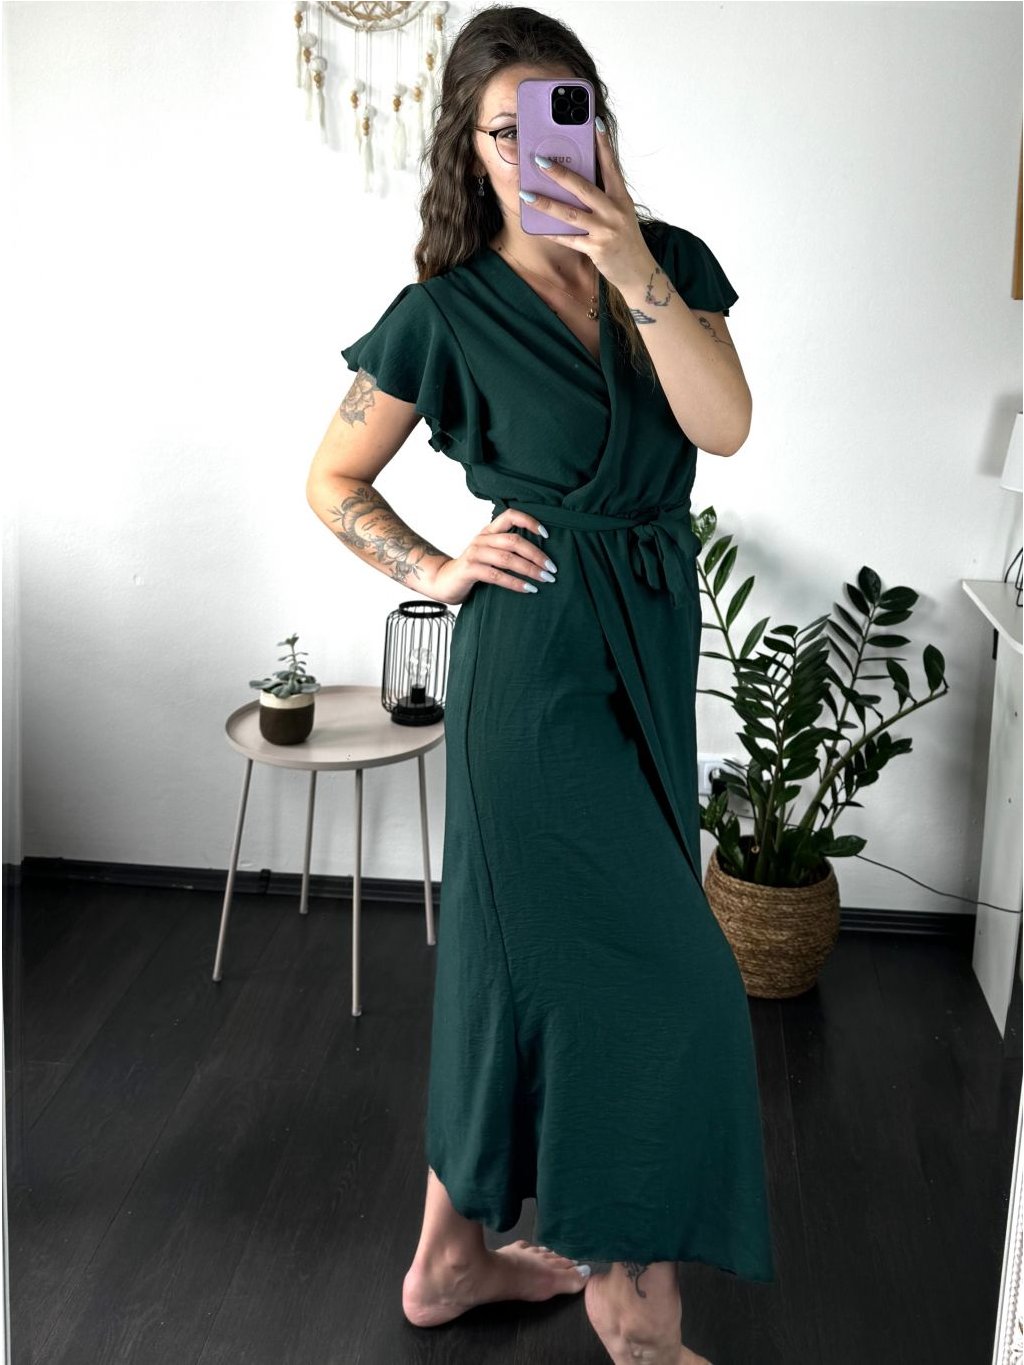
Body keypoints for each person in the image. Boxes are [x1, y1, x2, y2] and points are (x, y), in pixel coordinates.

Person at [305, 8, 774, 1364]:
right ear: (467, 146)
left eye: (559, 119)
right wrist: (436, 566)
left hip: (648, 639)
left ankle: (449, 1260)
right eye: (502, 132)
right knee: (672, 978)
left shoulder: (668, 263)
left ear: (597, 125)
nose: (531, 154)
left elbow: (725, 425)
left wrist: (625, 257)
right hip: (531, 667)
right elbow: (332, 480)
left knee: (520, 965)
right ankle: (638, 1308)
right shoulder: (443, 313)